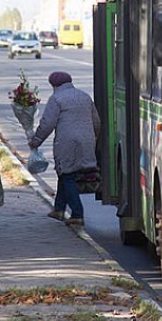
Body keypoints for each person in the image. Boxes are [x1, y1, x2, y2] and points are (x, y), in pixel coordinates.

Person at [28, 71, 101, 227]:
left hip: (67, 143)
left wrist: (36, 141)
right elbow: (96, 121)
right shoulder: (84, 96)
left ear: (54, 85)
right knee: (64, 174)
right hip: (87, 141)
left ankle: (77, 214)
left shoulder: (56, 99)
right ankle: (59, 209)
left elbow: (48, 123)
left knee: (67, 175)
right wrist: (93, 138)